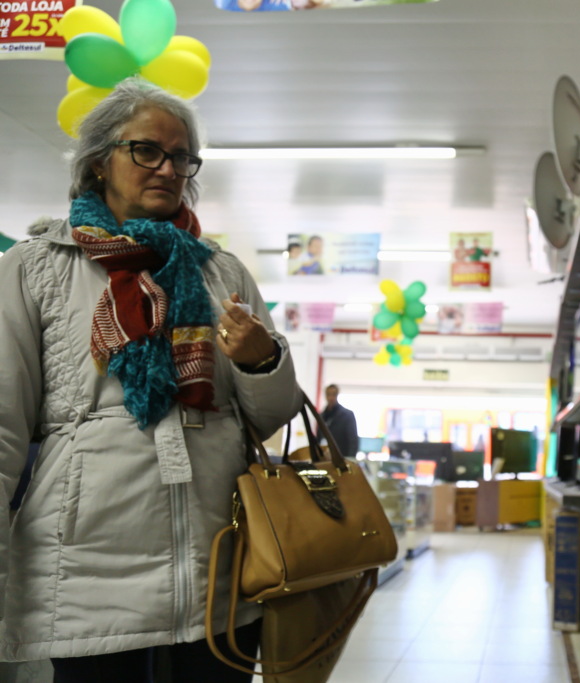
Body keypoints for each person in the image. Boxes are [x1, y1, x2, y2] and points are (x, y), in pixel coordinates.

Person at [0, 77, 302, 681]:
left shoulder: (221, 271)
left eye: (183, 157)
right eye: (147, 150)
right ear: (98, 163)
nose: (169, 168)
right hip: (87, 568)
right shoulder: (36, 266)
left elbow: (268, 416)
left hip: (216, 562)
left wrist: (261, 358)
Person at [320, 384, 359, 459]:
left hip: (342, 457)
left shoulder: (347, 415)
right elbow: (319, 438)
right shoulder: (321, 416)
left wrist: (350, 460)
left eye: (333, 394)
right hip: (325, 458)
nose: (331, 398)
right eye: (329, 394)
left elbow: (353, 441)